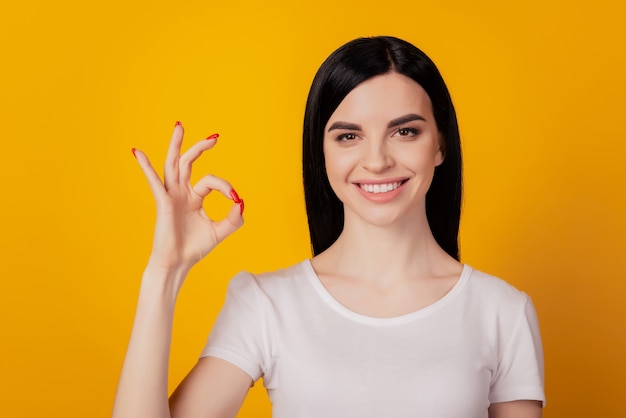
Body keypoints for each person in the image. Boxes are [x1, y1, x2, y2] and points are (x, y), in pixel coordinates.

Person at [113, 36, 545, 418]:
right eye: (348, 136)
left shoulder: (502, 312)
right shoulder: (266, 304)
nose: (376, 161)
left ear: (440, 145)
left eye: (405, 132)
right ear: (321, 153)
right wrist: (164, 272)